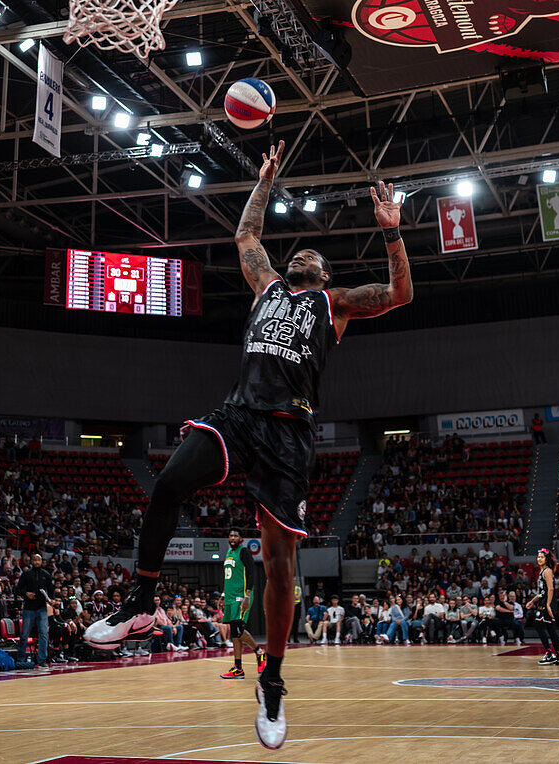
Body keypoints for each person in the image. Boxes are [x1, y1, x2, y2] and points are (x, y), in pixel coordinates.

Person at [84, 143, 413, 750]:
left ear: (325, 276)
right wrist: (264, 180)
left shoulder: (333, 306)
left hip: (289, 433)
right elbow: (246, 235)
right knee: (169, 484)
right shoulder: (266, 288)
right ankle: (140, 605)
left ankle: (274, 680)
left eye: (315, 254)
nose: (306, 252)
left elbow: (399, 293)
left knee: (280, 565)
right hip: (239, 415)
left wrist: (391, 233)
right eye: (301, 250)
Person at [219, 529, 265, 679]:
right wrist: (223, 595)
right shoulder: (228, 553)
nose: (232, 538)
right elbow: (229, 578)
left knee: (238, 630)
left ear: (241, 538)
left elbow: (251, 573)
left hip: (241, 596)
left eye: (235, 536)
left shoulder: (244, 552)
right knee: (234, 633)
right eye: (231, 535)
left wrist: (248, 594)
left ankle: (259, 652)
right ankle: (238, 668)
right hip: (230, 596)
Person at [15, 552, 53, 669]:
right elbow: (18, 590)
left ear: (41, 562)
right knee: (24, 634)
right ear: (31, 561)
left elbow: (50, 592)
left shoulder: (46, 575)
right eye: (34, 560)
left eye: (38, 560)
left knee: (43, 635)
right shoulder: (26, 574)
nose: (36, 562)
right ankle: (20, 659)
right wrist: (26, 594)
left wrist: (52, 600)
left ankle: (42, 660)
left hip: (42, 608)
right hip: (28, 608)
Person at [527, 548, 559, 665]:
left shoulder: (547, 571)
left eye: (542, 557)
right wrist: (532, 601)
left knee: (540, 626)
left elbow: (551, 589)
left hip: (547, 602)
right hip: (543, 601)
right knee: (549, 628)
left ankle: (550, 654)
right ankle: (558, 655)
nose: (539, 559)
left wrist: (548, 605)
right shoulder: (542, 571)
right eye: (538, 557)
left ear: (546, 559)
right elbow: (541, 592)